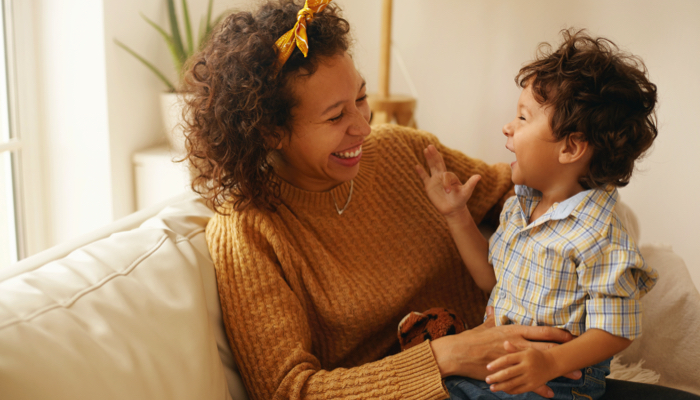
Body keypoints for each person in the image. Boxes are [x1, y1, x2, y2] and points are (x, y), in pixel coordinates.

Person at [182, 1, 700, 399]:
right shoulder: (246, 233)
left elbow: (520, 190)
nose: (364, 127)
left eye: (361, 98)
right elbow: (290, 391)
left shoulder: (397, 153)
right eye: (336, 116)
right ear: (272, 131)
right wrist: (448, 357)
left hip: (529, 371)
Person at [414, 30, 658, 400]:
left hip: (559, 379)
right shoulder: (521, 204)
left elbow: (616, 330)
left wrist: (551, 364)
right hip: (502, 359)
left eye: (523, 118)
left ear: (571, 147)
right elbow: (490, 279)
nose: (507, 127)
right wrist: (456, 214)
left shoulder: (601, 231)